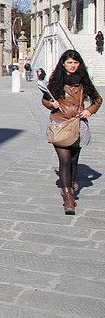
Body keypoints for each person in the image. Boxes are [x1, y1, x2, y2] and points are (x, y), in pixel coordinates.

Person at [42, 50, 102, 215]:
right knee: (65, 160)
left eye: (75, 63)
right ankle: (68, 196)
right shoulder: (56, 81)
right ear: (63, 63)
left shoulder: (83, 81)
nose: (73, 65)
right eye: (69, 62)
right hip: (60, 123)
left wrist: (89, 110)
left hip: (77, 124)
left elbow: (97, 99)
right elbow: (45, 99)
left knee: (74, 161)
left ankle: (72, 182)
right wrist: (51, 104)